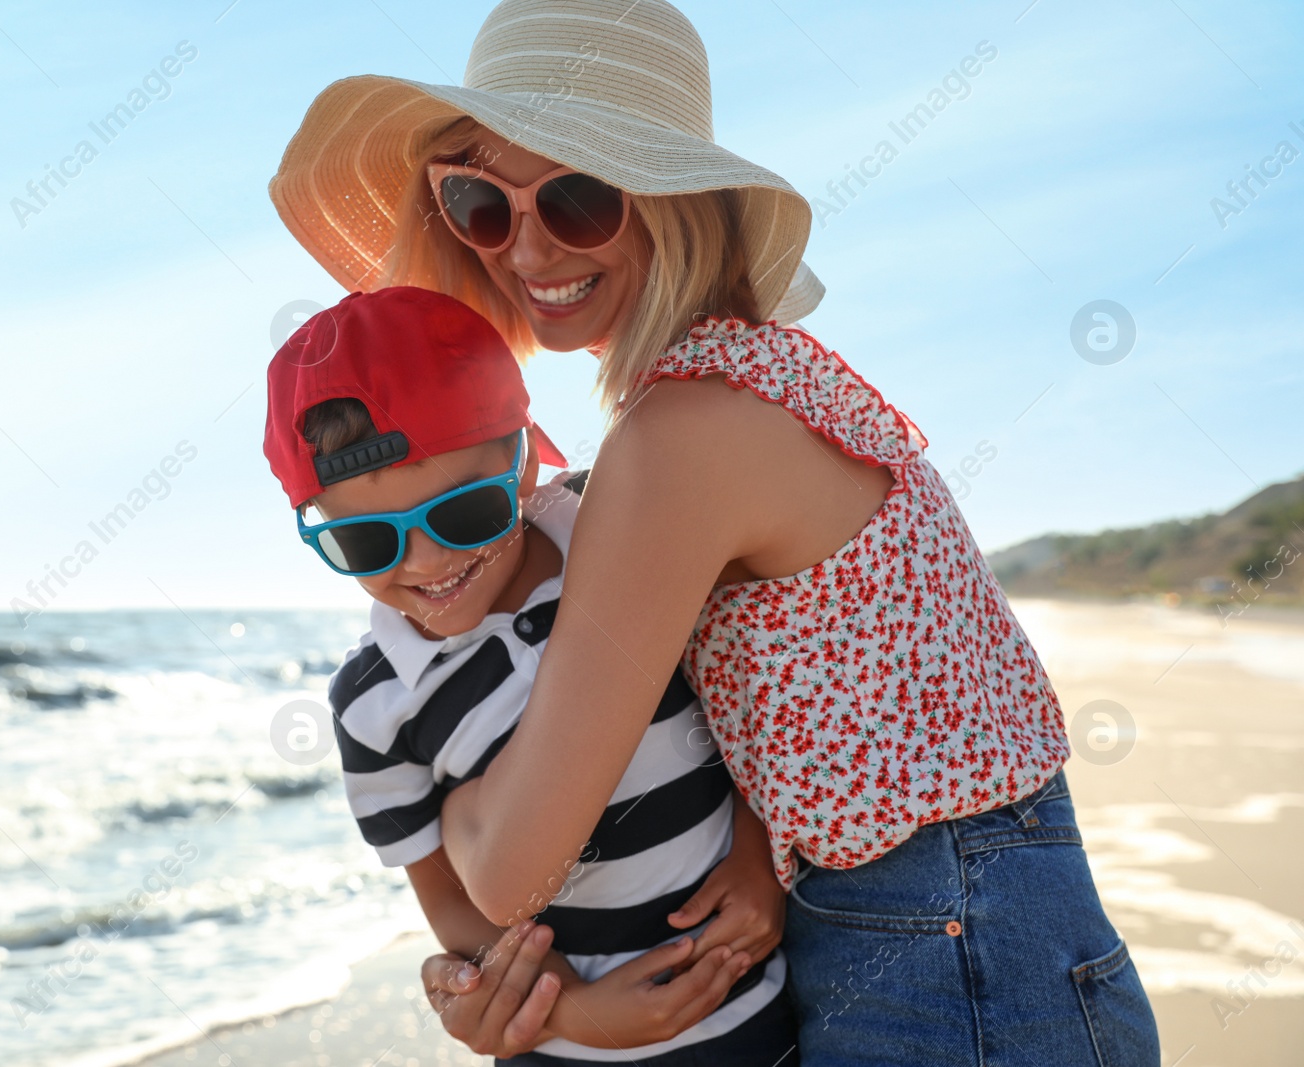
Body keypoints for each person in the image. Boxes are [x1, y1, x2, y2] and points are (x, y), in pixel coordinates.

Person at [268, 1, 1161, 1064]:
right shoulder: (750, 373)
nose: (528, 244)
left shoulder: (678, 435)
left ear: (672, 200)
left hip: (941, 946)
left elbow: (507, 874)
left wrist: (451, 815)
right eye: (479, 201)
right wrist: (756, 850)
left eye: (579, 193)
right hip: (956, 917)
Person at [262, 286, 800, 1064]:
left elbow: (749, 704)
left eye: (465, 514)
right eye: (366, 543)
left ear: (521, 458)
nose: (427, 563)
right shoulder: (371, 702)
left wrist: (760, 862)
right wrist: (573, 1012)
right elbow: (448, 897)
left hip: (747, 1013)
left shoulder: (618, 528)